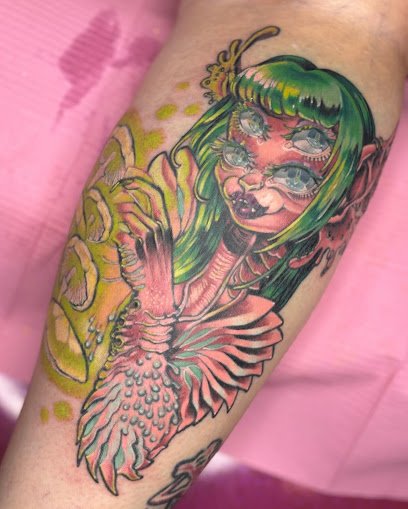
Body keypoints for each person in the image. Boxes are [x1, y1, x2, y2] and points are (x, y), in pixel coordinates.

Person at [0, 2, 407, 507]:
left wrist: (157, 317)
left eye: (294, 176)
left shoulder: (245, 326)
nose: (251, 184)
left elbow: (118, 452)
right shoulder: (169, 212)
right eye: (238, 154)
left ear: (345, 181)